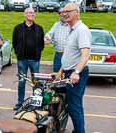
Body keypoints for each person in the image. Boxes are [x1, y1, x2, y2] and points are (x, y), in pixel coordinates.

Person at [57, 3, 91, 133]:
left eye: (68, 11)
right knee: (75, 105)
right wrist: (60, 71)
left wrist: (76, 72)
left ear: (77, 12)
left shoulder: (82, 30)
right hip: (69, 72)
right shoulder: (72, 30)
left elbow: (85, 54)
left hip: (76, 74)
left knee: (73, 106)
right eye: (63, 12)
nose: (64, 14)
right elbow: (69, 55)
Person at [12, 7, 44, 110]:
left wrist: (38, 52)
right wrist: (18, 53)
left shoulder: (39, 28)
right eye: (29, 13)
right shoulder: (18, 28)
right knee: (21, 82)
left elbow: (42, 44)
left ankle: (36, 103)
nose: (31, 14)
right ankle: (20, 103)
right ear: (24, 14)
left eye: (33, 13)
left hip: (34, 60)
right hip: (22, 60)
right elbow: (14, 42)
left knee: (36, 82)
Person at [44, 7, 70, 72]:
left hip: (69, 55)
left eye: (64, 12)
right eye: (60, 13)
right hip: (58, 55)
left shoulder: (71, 25)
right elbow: (49, 34)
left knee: (68, 74)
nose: (62, 14)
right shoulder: (56, 25)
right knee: (56, 73)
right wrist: (47, 38)